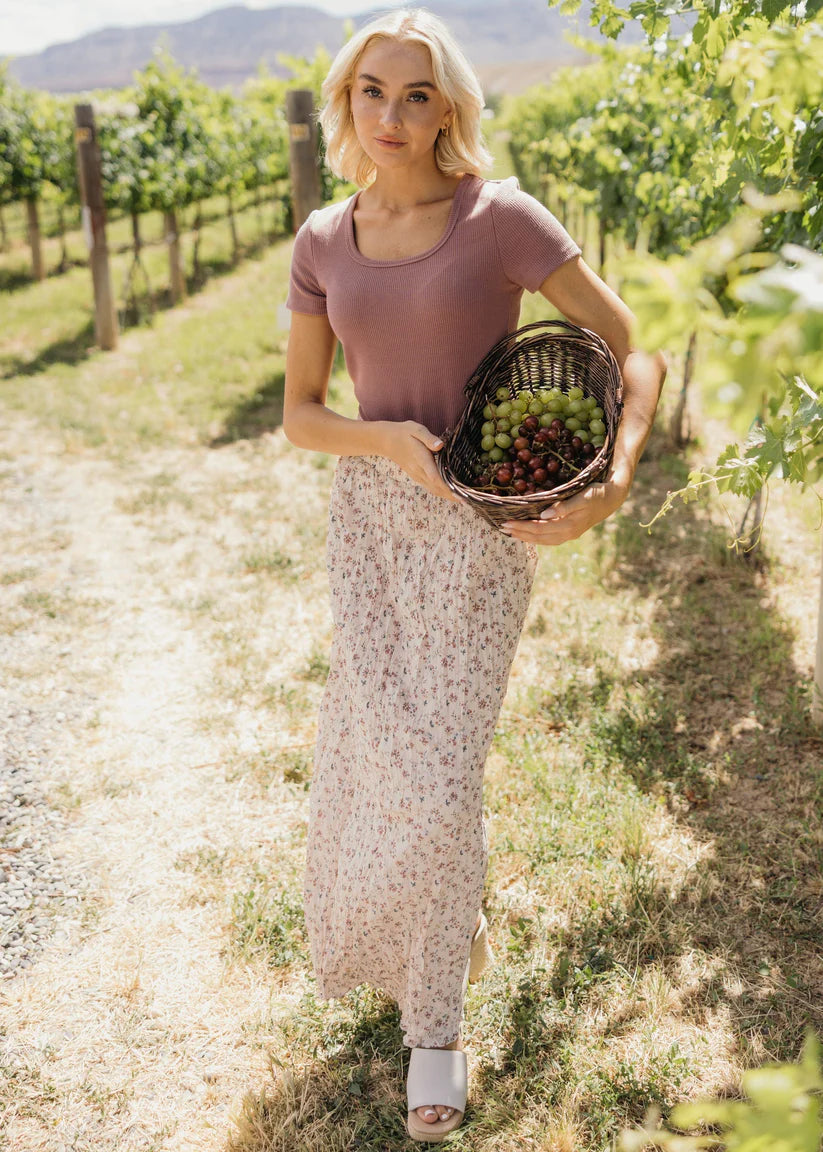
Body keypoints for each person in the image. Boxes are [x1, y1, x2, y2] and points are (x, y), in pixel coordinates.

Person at [283, 7, 666, 1141]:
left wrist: (616, 478)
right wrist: (386, 441)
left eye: (415, 93)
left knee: (440, 782)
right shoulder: (321, 238)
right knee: (376, 749)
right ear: (346, 101)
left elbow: (628, 343)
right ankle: (411, 943)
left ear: (448, 105)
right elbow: (300, 417)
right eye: (370, 92)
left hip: (478, 528)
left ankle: (435, 1029)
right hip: (370, 518)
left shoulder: (498, 219)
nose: (391, 115)